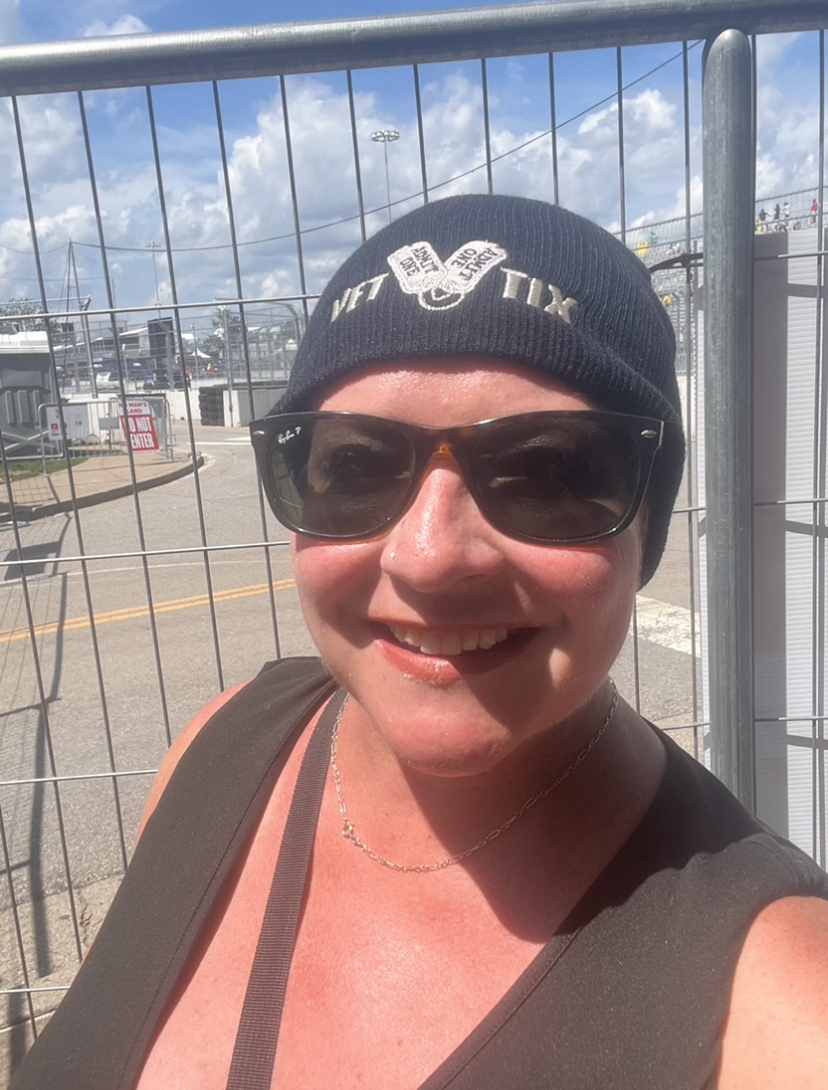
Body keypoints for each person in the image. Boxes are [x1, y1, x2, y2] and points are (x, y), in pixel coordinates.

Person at [11, 195, 828, 1090]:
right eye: (355, 466)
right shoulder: (218, 750)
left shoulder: (780, 999)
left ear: (647, 522)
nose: (429, 557)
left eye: (546, 472)